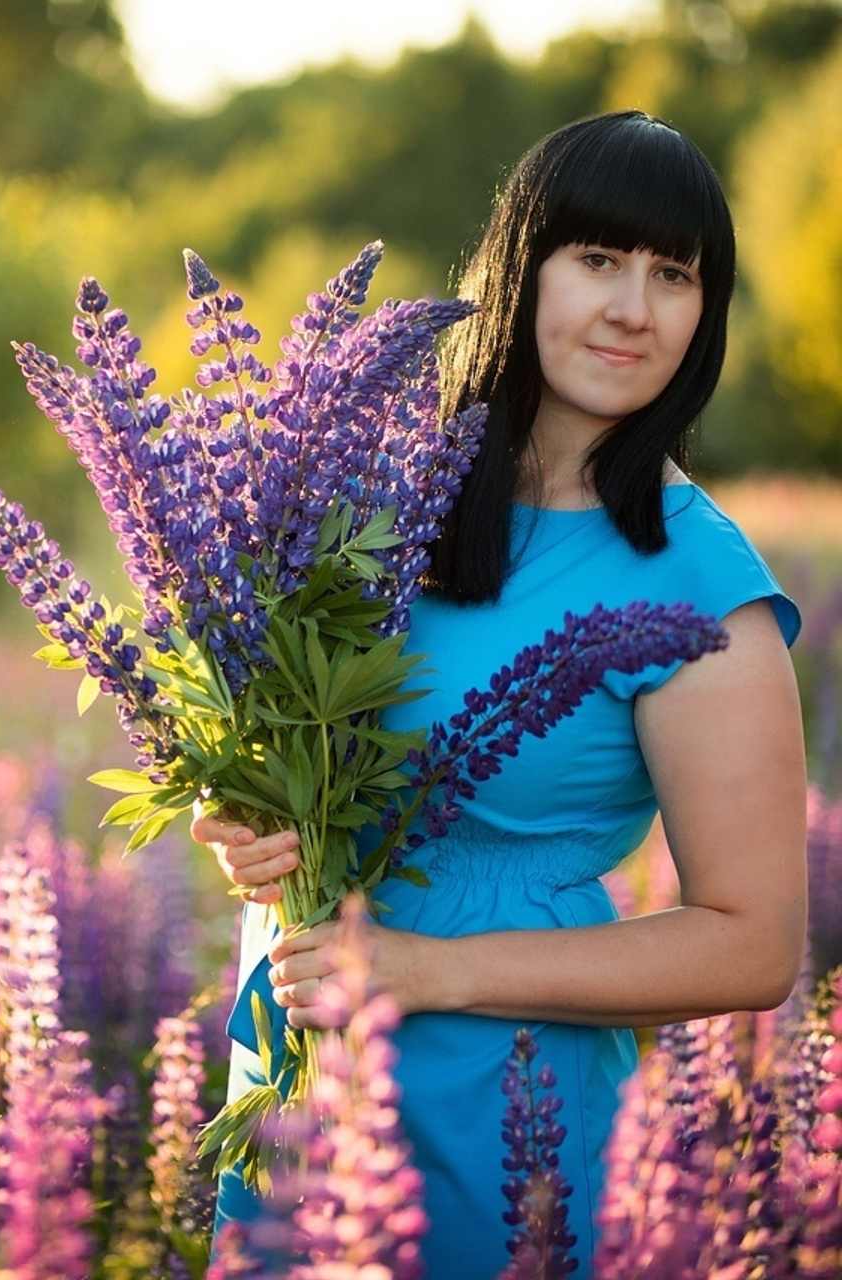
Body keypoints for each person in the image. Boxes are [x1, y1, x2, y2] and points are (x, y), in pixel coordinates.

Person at [192, 109, 807, 1279]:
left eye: (672, 275)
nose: (631, 307)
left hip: (503, 1093)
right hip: (296, 1070)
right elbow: (277, 747)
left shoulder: (698, 582)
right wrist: (240, 821)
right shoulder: (367, 497)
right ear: (518, 270)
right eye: (595, 259)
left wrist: (430, 971)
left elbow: (750, 943)